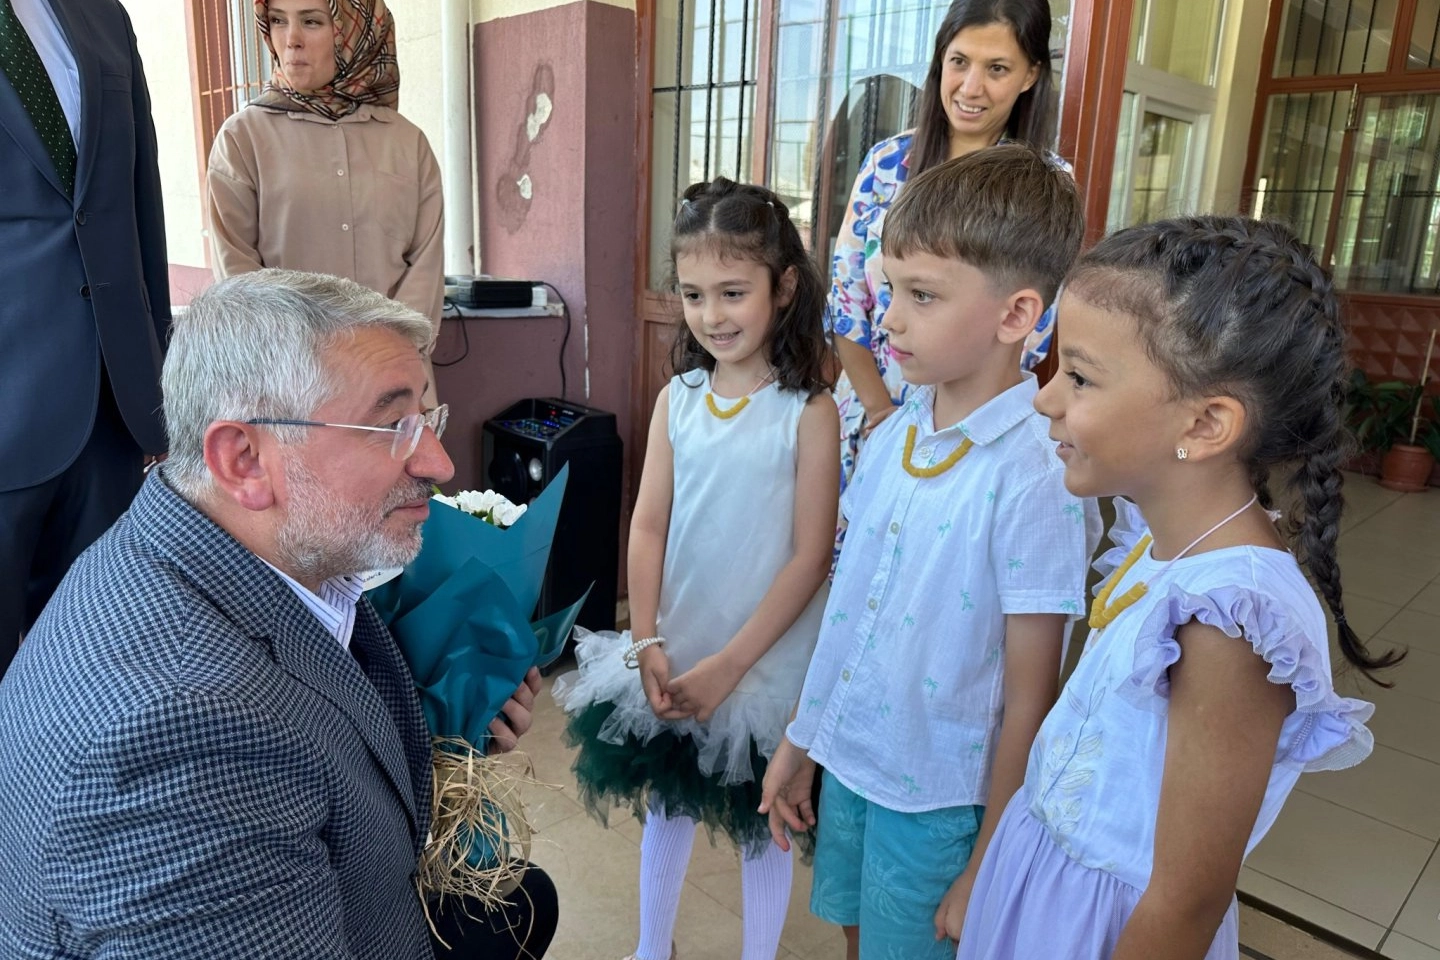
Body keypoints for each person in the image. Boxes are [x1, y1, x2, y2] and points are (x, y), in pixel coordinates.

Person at [0, 271, 556, 960]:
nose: (439, 462)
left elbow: (309, 699)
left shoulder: (206, 539)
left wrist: (446, 731)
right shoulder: (183, 740)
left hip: (363, 896)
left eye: (426, 418)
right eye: (391, 427)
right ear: (243, 460)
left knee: (528, 900)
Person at [953, 217, 1397, 960]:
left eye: (1080, 377)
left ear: (1207, 423)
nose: (1044, 400)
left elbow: (1185, 902)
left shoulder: (1231, 620)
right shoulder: (1159, 544)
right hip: (1037, 887)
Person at [760, 145, 1100, 960]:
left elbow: (1029, 699)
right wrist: (804, 743)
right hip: (852, 766)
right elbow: (849, 611)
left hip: (940, 804)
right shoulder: (893, 432)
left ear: (1016, 316)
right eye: (890, 290)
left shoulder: (1037, 475)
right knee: (855, 936)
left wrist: (988, 863)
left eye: (922, 296)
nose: (888, 321)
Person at [552, 179, 837, 960]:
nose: (712, 315)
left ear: (783, 288)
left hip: (763, 659)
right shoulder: (678, 399)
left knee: (758, 822)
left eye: (733, 292)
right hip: (679, 643)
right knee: (668, 802)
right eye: (693, 294)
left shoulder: (810, 412)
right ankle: (654, 948)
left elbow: (812, 556)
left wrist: (731, 666)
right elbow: (647, 524)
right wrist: (646, 641)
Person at [829, 0, 1062, 500]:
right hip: (868, 414)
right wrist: (881, 413)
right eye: (959, 61)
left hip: (973, 432)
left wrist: (939, 427)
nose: (971, 87)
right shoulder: (888, 162)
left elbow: (1030, 332)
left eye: (997, 68)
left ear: (1030, 74)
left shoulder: (1044, 187)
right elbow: (846, 302)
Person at [0, 0, 169, 673]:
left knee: (103, 664)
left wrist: (161, 380)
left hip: (110, 410)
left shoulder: (102, 15)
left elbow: (139, 203)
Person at [207, 0, 444, 395]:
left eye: (312, 21)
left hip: (394, 384)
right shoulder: (242, 139)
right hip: (290, 387)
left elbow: (425, 269)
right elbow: (239, 279)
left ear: (354, 32)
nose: (291, 40)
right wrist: (313, 369)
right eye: (278, 21)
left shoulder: (407, 143)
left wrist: (381, 362)